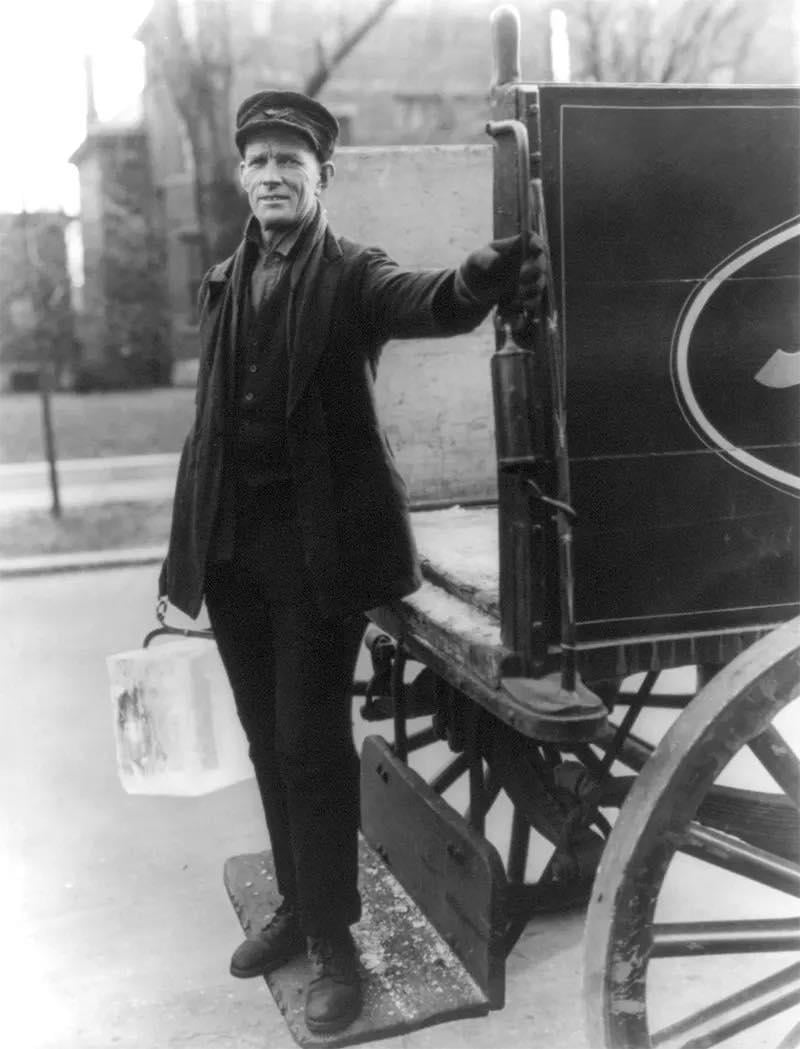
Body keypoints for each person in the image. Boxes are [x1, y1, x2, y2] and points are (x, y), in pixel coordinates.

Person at [159, 89, 547, 1035]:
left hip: (316, 559)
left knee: (308, 747)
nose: (273, 176)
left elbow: (430, 302)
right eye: (258, 161)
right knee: (265, 743)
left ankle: (335, 942)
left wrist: (483, 273)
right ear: (243, 178)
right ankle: (298, 908)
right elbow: (209, 428)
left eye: (292, 162)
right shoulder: (223, 280)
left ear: (320, 177)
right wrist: (184, 554)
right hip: (234, 553)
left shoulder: (349, 274)